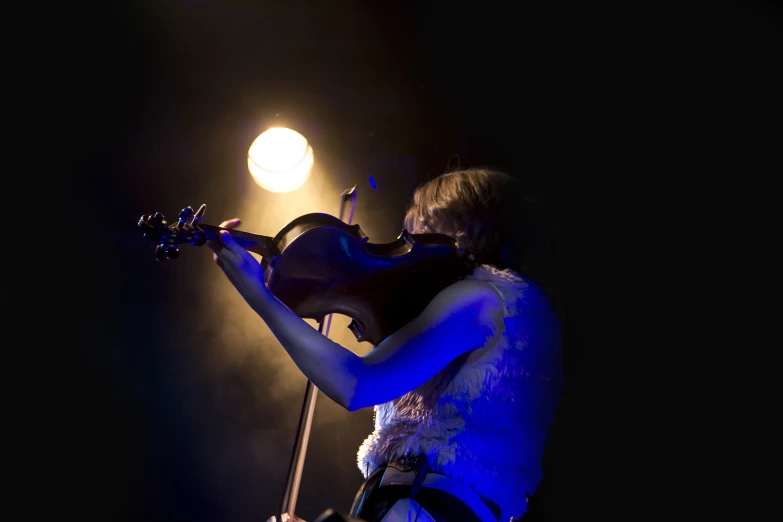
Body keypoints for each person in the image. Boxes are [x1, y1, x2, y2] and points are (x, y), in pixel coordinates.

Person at [208, 168, 563, 522]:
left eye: (421, 224)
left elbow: (357, 384)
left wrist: (258, 294)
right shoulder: (503, 303)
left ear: (463, 229)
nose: (407, 240)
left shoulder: (480, 298)